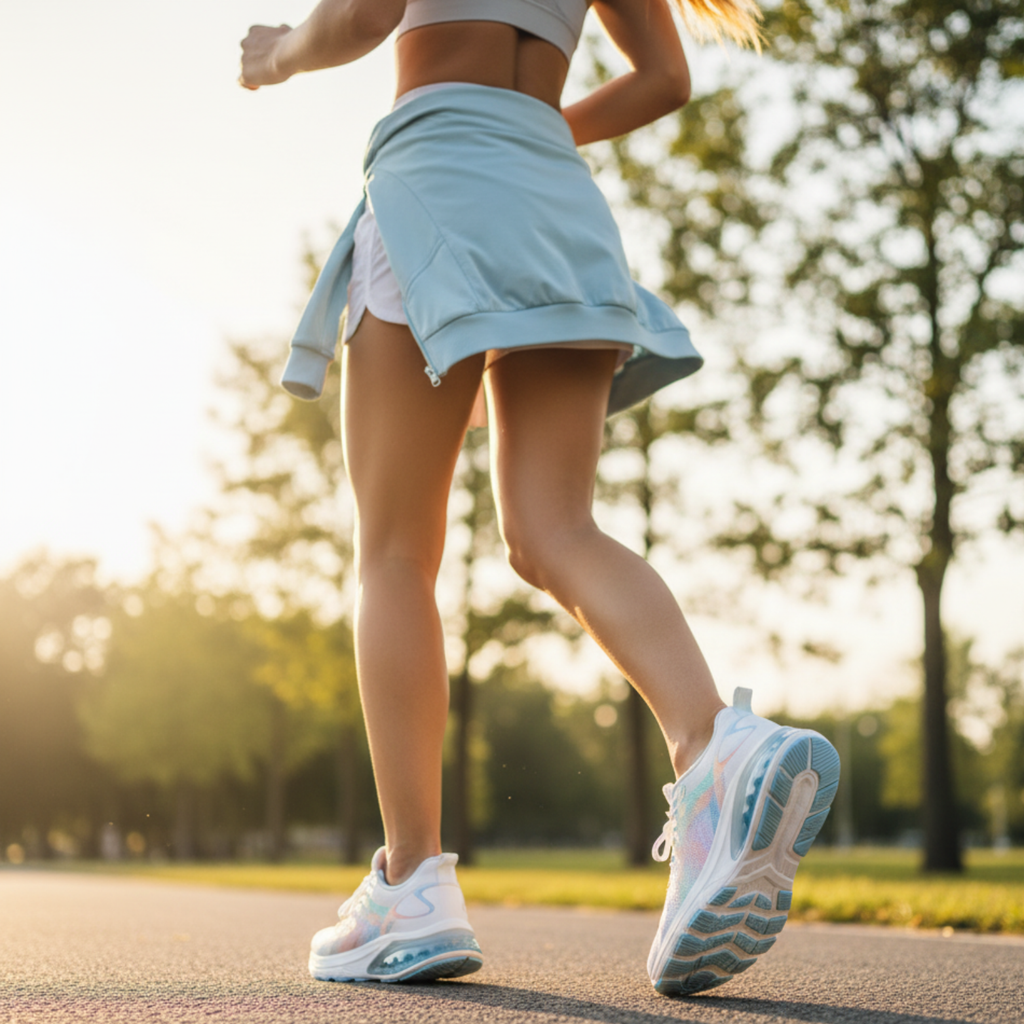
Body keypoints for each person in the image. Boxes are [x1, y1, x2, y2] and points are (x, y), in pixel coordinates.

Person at [239, 0, 839, 997]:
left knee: (393, 554)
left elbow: (363, 15)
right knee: (556, 528)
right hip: (556, 197)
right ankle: (715, 748)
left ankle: (411, 883)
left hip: (438, 175)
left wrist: (283, 53)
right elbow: (665, 80)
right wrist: (540, 129)